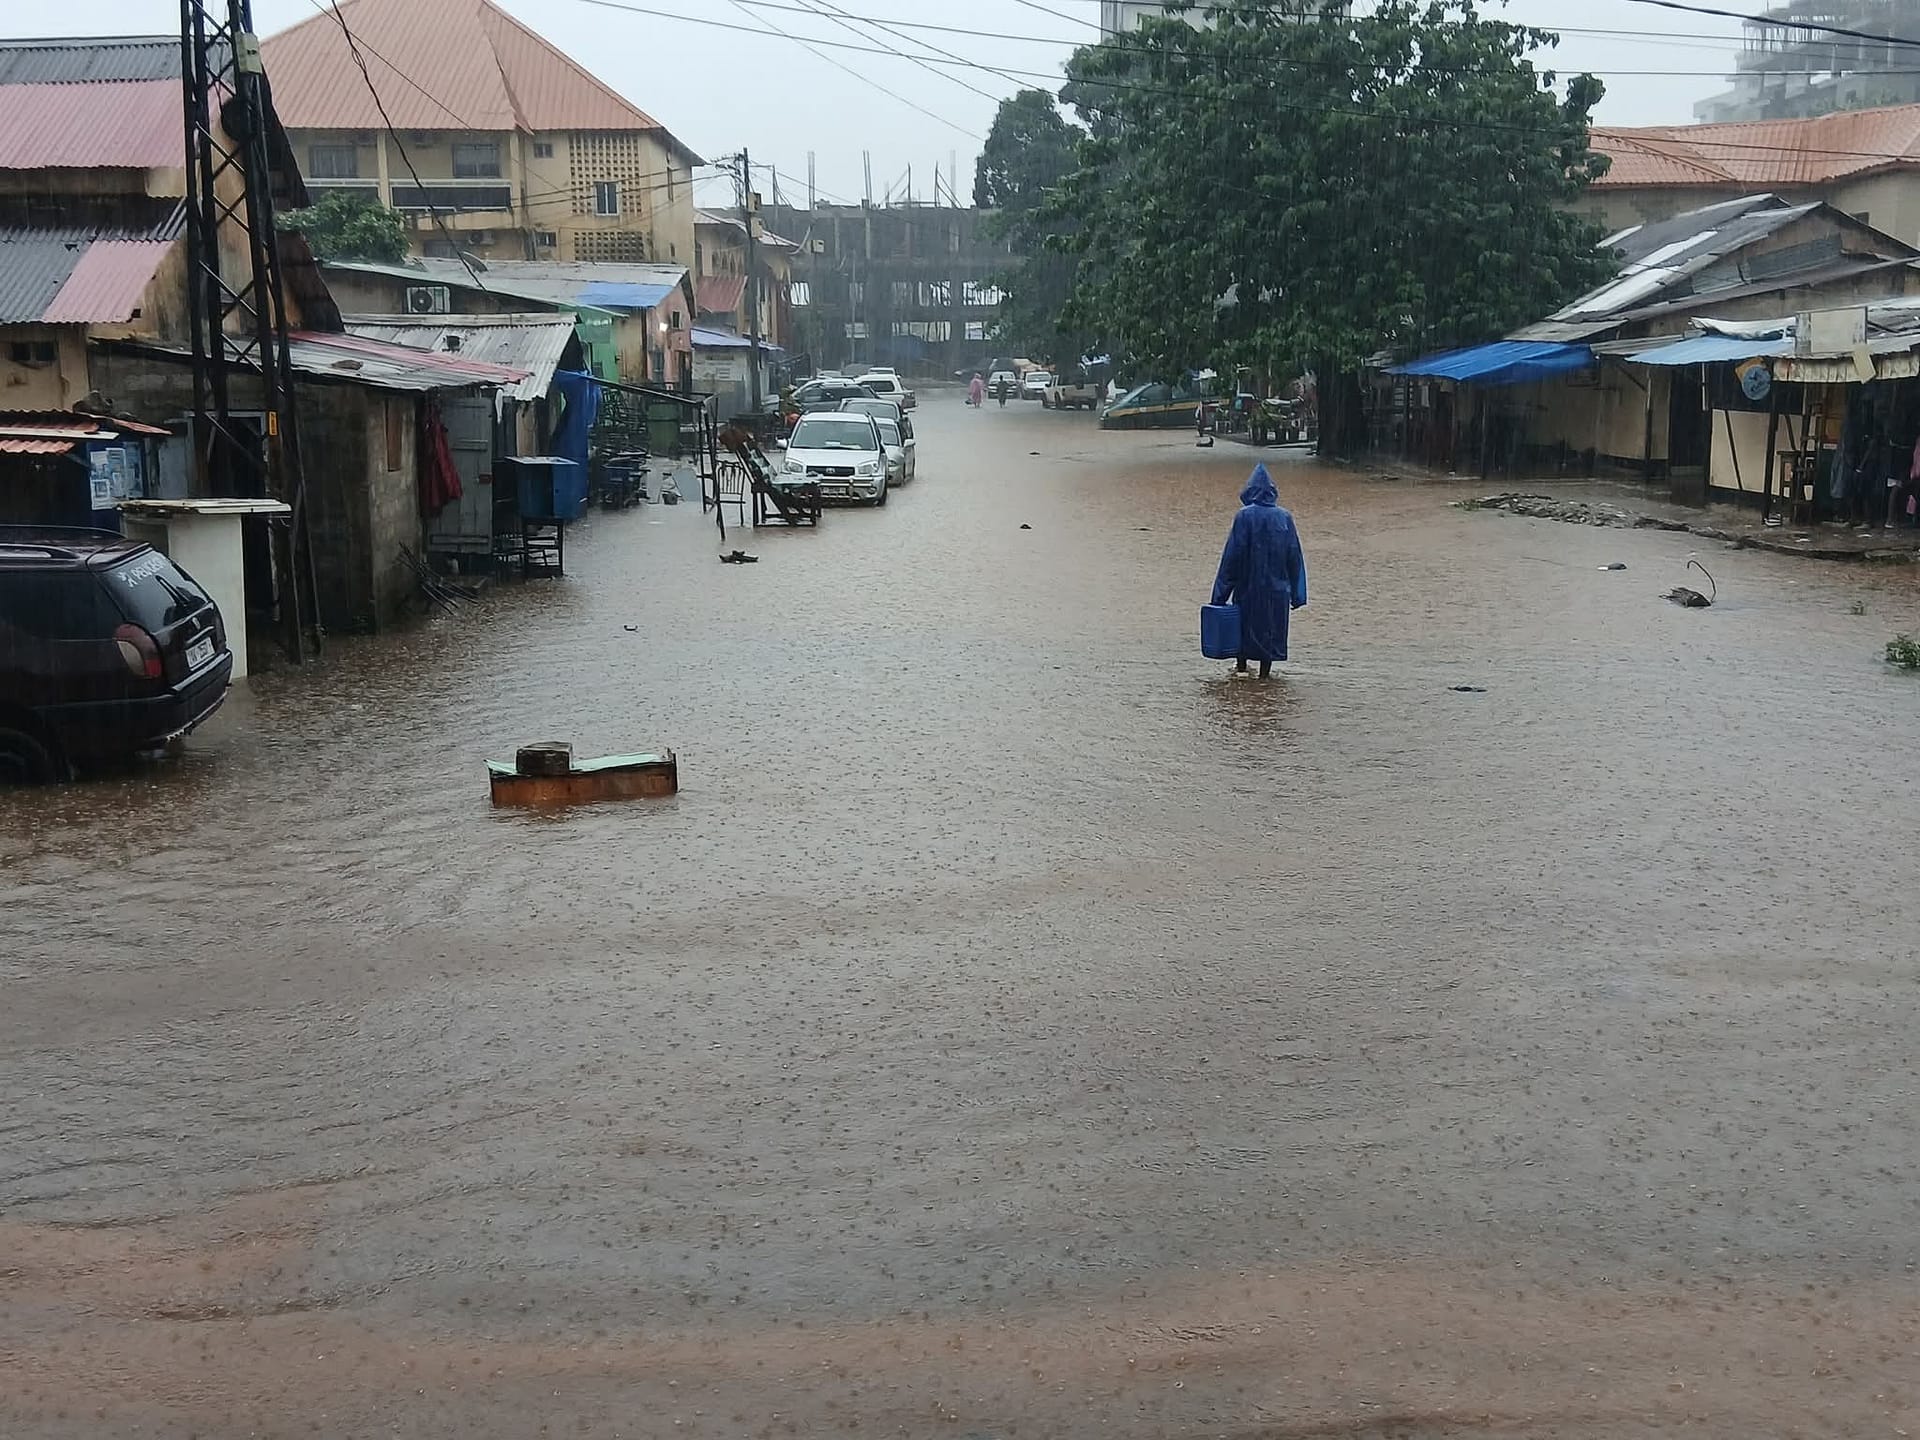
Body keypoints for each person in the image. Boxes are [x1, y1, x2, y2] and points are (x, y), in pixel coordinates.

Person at [1211, 464, 1307, 679]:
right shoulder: (1285, 518)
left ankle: (1242, 671)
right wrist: (1298, 595)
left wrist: (1219, 596)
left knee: (1243, 631)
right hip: (1277, 591)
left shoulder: (1244, 517)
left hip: (1248, 589)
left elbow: (1231, 558)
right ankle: (1264, 678)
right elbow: (1295, 557)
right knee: (1270, 634)